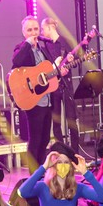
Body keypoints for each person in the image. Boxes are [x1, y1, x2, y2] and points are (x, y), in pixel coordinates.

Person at [12, 16, 59, 172]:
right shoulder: (21, 48)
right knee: (35, 139)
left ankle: (41, 171)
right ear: (24, 32)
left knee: (45, 139)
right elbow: (16, 62)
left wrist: (59, 72)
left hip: (47, 99)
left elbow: (47, 73)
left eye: (36, 29)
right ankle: (34, 174)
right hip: (33, 101)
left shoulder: (43, 49)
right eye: (29, 30)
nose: (33, 32)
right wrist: (27, 44)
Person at [41, 17, 81, 150]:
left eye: (43, 29)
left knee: (71, 119)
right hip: (53, 86)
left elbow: (75, 62)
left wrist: (70, 60)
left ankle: (75, 151)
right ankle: (61, 150)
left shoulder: (65, 42)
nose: (42, 32)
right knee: (56, 121)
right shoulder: (45, 46)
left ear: (50, 27)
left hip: (66, 85)